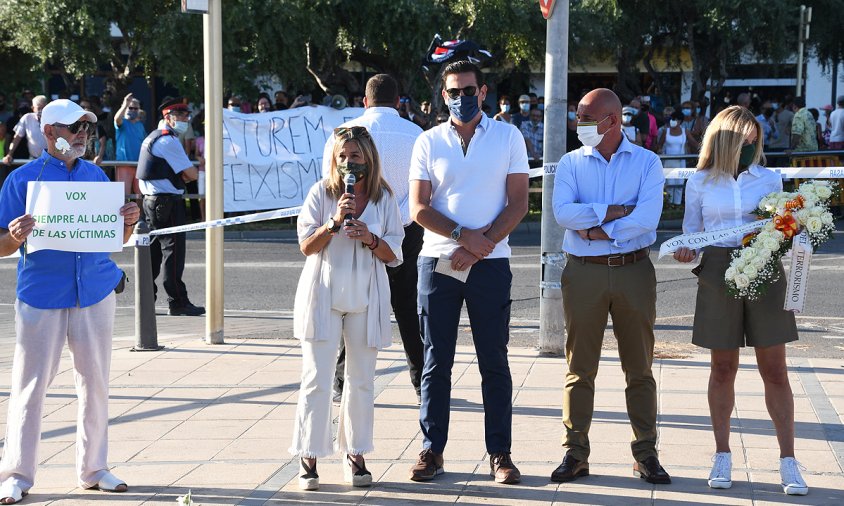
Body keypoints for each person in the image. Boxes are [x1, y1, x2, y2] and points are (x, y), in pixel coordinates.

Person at [0, 99, 140, 504]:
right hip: (41, 296)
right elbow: (2, 246)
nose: (82, 133)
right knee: (29, 389)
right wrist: (15, 235)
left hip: (95, 293)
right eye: (72, 127)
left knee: (95, 385)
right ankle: (16, 475)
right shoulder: (21, 180)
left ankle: (94, 469)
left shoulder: (97, 177)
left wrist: (128, 223)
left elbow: (118, 240)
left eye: (85, 127)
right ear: (48, 132)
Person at [673, 106, 809, 496]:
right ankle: (722, 454)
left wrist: (790, 228)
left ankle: (788, 461)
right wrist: (688, 253)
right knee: (722, 368)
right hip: (718, 268)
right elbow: (692, 235)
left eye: (755, 141)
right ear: (725, 140)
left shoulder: (770, 177)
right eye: (744, 140)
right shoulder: (699, 182)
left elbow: (787, 224)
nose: (750, 146)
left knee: (775, 369)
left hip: (764, 267)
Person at [408, 60, 529, 485]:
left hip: (490, 263)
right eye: (454, 91)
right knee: (435, 361)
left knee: (493, 360)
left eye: (470, 90)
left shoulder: (508, 136)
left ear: (484, 91)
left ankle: (500, 453)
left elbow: (518, 203)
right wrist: (463, 237)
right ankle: (432, 449)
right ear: (443, 95)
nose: (463, 97)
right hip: (438, 262)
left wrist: (481, 246)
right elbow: (419, 208)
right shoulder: (427, 141)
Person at [551, 88, 670, 485]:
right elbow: (562, 213)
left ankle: (645, 453)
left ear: (612, 121)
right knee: (579, 368)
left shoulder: (647, 163)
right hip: (582, 272)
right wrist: (615, 212)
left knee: (639, 368)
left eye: (585, 119)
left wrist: (595, 229)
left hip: (634, 271)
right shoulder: (570, 163)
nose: (578, 125)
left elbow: (648, 219)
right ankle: (575, 452)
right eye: (578, 117)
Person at [290, 125, 403, 490]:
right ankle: (309, 453)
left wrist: (370, 238)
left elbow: (395, 254)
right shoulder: (320, 193)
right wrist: (334, 222)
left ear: (368, 158)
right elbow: (306, 246)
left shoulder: (385, 197)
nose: (348, 163)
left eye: (355, 156)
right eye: (342, 156)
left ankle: (355, 452)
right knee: (317, 378)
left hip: (366, 296)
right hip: (322, 292)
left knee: (361, 380)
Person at [321, 74, 425, 405]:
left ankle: (341, 381)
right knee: (407, 306)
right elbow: (426, 186)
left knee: (352, 304)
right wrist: (399, 219)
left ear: (364, 101)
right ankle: (422, 381)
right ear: (399, 102)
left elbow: (330, 180)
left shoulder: (343, 135)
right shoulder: (417, 135)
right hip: (405, 230)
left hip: (352, 226)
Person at [137, 97, 205, 317]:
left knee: (155, 253)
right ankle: (177, 302)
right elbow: (191, 174)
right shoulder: (168, 140)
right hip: (166, 203)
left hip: (152, 202)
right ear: (169, 117)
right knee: (173, 253)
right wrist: (189, 173)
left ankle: (146, 299)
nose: (186, 119)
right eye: (182, 115)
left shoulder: (153, 136)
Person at [114, 93, 146, 197]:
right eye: (130, 108)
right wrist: (125, 104)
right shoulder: (122, 123)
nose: (132, 110)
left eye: (135, 108)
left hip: (139, 165)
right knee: (123, 195)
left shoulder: (140, 125)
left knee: (140, 195)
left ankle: (141, 214)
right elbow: (117, 119)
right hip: (124, 164)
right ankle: (123, 214)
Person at [2, 95, 48, 165]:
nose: (41, 111)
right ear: (33, 108)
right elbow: (16, 138)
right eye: (39, 108)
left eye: (44, 108)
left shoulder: (53, 119)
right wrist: (9, 154)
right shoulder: (27, 118)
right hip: (33, 159)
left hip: (51, 160)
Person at [657, 109, 688, 206]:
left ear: (680, 121)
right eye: (672, 119)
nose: (673, 121)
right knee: (669, 185)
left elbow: (695, 144)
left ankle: (678, 205)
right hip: (668, 162)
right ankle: (669, 205)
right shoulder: (666, 131)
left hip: (681, 162)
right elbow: (659, 145)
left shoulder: (685, 131)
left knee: (679, 185)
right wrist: (659, 151)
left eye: (675, 119)